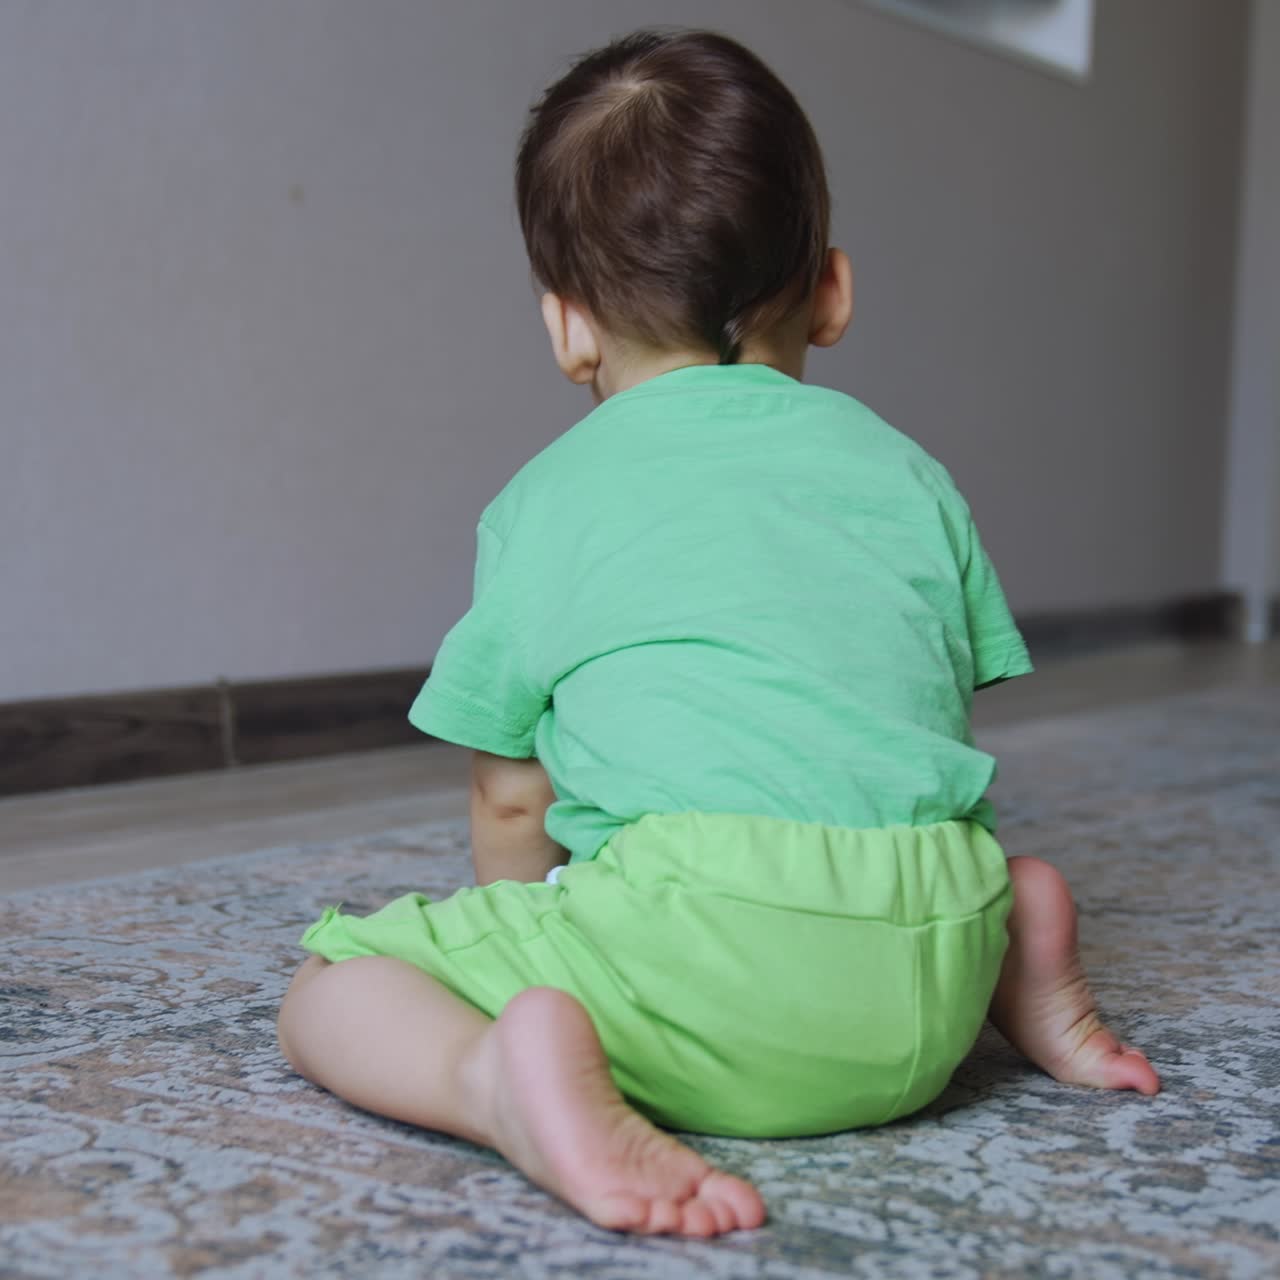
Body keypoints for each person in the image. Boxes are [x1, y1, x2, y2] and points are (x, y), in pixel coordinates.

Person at [276, 29, 1159, 1238]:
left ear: (567, 327)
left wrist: (538, 940)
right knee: (929, 853)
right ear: (831, 292)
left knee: (329, 984)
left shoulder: (548, 501)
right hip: (931, 959)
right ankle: (1014, 947)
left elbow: (510, 798)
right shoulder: (908, 476)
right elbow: (901, 718)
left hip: (709, 975)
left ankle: (496, 1082)